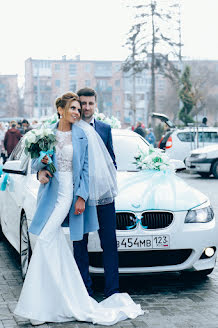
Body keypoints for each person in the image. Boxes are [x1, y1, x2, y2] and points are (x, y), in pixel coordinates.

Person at [14, 92, 143, 326]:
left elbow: (85, 169)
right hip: (50, 195)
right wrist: (41, 170)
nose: (77, 112)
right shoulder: (47, 135)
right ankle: (55, 300)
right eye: (73, 108)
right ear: (60, 110)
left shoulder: (82, 135)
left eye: (79, 108)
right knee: (51, 244)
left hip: (69, 197)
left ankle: (43, 305)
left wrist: (81, 197)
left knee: (45, 241)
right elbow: (37, 162)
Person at [38, 88, 119, 298]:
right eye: (82, 104)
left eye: (90, 103)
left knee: (109, 243)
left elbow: (111, 161)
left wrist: (106, 184)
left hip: (103, 196)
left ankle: (113, 292)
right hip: (77, 196)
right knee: (79, 244)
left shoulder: (104, 128)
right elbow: (52, 158)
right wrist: (43, 169)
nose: (86, 108)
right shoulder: (68, 129)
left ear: (95, 104)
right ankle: (85, 292)